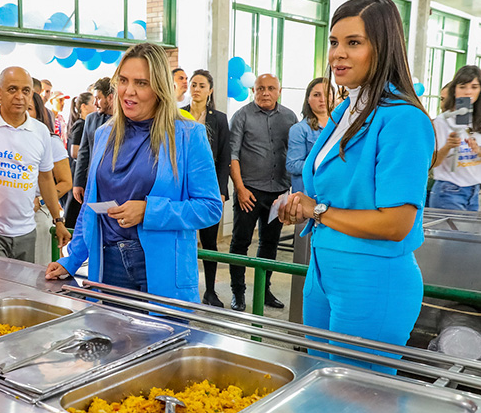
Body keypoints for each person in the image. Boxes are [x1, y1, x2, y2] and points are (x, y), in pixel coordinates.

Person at [279, 0, 435, 376]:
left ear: (382, 48)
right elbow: (329, 193)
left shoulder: (403, 120)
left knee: (359, 402)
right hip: (321, 271)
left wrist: (318, 210)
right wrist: (303, 204)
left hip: (372, 279)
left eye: (354, 43)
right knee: (317, 389)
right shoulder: (344, 111)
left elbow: (396, 224)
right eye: (334, 42)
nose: (338, 55)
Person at [45, 43, 222, 301]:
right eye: (124, 81)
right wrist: (73, 259)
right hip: (106, 264)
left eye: (141, 83)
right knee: (110, 338)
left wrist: (149, 211)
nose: (129, 91)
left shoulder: (188, 134)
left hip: (159, 269)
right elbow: (91, 206)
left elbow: (209, 207)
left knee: (161, 339)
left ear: (160, 88)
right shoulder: (104, 134)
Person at [0, 67, 70, 262]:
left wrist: (58, 220)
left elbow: (46, 178)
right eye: (12, 89)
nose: (20, 96)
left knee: (20, 290)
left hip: (26, 233)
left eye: (26, 91)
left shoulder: (40, 132)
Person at [228, 73, 297, 311]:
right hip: (249, 192)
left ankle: (264, 290)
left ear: (279, 91)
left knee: (270, 244)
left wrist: (289, 191)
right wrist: (240, 189)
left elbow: (295, 153)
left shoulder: (290, 117)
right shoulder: (241, 116)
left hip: (278, 193)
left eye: (270, 88)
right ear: (253, 91)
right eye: (260, 89)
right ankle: (238, 293)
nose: (265, 93)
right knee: (240, 243)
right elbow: (232, 155)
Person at [181, 70, 230, 307]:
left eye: (202, 85)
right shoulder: (179, 114)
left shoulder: (219, 119)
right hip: (183, 187)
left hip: (209, 189)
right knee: (185, 239)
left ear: (210, 90)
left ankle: (210, 290)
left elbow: (224, 158)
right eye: (193, 84)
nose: (197, 89)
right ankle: (186, 287)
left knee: (210, 242)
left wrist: (221, 191)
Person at [430, 65, 481, 211]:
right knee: (449, 234)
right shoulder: (442, 121)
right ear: (455, 89)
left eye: (474, 87)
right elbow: (432, 162)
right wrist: (448, 146)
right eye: (463, 86)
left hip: (475, 191)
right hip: (448, 191)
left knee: (467, 234)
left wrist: (479, 150)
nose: (468, 91)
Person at [28, 92, 72, 263]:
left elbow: (66, 182)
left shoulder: (50, 141)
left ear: (38, 112)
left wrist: (41, 200)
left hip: (39, 215)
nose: (23, 111)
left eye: (29, 108)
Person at [72, 76, 115, 205]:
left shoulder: (125, 121)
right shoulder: (91, 119)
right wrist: (78, 182)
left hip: (113, 182)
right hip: (91, 181)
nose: (95, 103)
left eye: (98, 98)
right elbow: (83, 152)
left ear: (110, 97)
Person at [287, 77, 334, 194]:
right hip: (308, 195)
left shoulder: (341, 127)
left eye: (327, 94)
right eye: (317, 95)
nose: (323, 99)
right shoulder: (299, 129)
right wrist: (324, 166)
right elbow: (292, 165)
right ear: (308, 99)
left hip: (334, 192)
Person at [64, 92, 95, 228]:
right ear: (84, 107)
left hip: (76, 172)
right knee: (73, 209)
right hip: (76, 172)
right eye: (93, 103)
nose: (96, 106)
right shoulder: (81, 125)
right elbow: (74, 151)